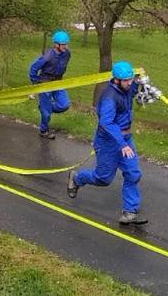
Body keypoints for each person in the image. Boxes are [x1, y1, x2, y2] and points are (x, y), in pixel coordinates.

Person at [67, 61, 152, 225]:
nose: (130, 82)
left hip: (125, 138)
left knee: (133, 173)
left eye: (130, 79)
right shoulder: (109, 98)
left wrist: (143, 80)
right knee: (103, 179)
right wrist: (122, 144)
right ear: (116, 80)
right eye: (127, 80)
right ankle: (77, 178)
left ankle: (130, 212)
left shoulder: (126, 88)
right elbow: (107, 123)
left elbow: (135, 88)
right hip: (109, 141)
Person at [29, 30, 72, 139]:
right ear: (56, 44)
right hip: (45, 83)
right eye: (63, 44)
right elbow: (33, 69)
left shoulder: (67, 54)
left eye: (66, 44)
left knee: (65, 104)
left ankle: (45, 108)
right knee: (46, 114)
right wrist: (36, 83)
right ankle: (44, 131)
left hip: (58, 82)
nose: (65, 46)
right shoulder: (47, 56)